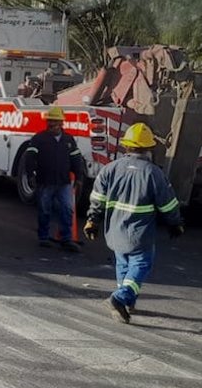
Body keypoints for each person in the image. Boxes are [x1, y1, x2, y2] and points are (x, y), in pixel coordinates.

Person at [83, 123, 185, 324]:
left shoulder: (110, 169)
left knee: (123, 264)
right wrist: (175, 222)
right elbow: (168, 202)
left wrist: (92, 220)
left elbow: (97, 198)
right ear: (149, 148)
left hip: (115, 230)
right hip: (140, 232)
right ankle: (120, 298)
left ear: (126, 146)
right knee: (141, 264)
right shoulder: (153, 172)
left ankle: (127, 303)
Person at [28, 106, 88, 252]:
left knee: (67, 209)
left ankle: (66, 238)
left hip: (64, 182)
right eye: (49, 121)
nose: (50, 124)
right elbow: (30, 158)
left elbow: (76, 159)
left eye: (54, 122)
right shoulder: (39, 138)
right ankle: (43, 237)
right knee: (44, 209)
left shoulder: (68, 140)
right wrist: (30, 175)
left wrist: (79, 178)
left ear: (61, 123)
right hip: (45, 181)